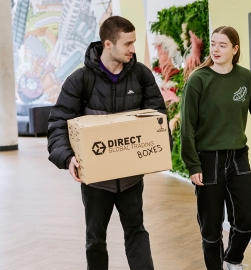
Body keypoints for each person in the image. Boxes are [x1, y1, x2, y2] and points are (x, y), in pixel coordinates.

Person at [47, 16, 167, 270]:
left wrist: (152, 151)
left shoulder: (142, 76)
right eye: (128, 43)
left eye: (134, 42)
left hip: (131, 177)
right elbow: (58, 124)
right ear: (108, 44)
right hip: (96, 181)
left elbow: (158, 119)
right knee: (95, 239)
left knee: (136, 231)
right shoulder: (80, 80)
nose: (133, 49)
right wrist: (68, 158)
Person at [181, 26, 251, 270]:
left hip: (237, 156)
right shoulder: (198, 80)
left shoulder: (245, 78)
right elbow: (187, 127)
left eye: (223, 45)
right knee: (211, 226)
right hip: (208, 159)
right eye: (213, 44)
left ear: (235, 49)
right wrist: (192, 164)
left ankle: (232, 260)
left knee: (246, 216)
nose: (216, 49)